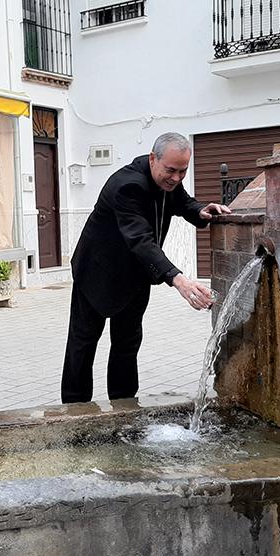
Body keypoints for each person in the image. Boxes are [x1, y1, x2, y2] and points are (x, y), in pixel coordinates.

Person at [61, 132, 231, 403]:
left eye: (183, 171)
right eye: (171, 171)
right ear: (153, 159)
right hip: (97, 273)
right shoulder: (127, 186)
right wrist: (178, 279)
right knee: (83, 344)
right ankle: (73, 408)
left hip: (136, 274)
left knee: (127, 344)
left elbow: (182, 202)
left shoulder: (166, 179)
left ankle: (124, 404)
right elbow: (141, 240)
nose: (176, 178)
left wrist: (200, 211)